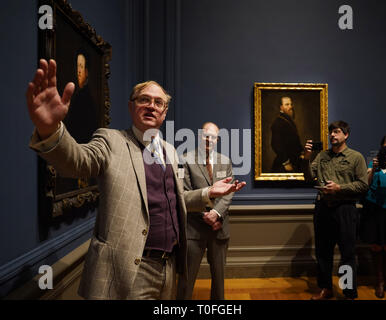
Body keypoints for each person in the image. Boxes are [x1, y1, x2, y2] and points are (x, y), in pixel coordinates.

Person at [26, 59, 246, 300]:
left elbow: (175, 200)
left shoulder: (170, 152)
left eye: (158, 102)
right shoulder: (111, 141)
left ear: (164, 113)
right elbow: (77, 161)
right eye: (144, 100)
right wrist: (50, 130)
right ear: (131, 108)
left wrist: (207, 194)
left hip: (169, 267)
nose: (151, 106)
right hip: (129, 269)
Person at [302, 120, 368, 300]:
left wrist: (340, 188)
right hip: (323, 208)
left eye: (337, 132)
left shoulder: (356, 157)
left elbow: (363, 185)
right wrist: (307, 158)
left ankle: (348, 292)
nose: (332, 135)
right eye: (331, 132)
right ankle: (326, 288)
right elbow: (309, 177)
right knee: (323, 252)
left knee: (347, 254)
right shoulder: (322, 156)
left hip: (345, 210)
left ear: (346, 135)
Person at [176, 122, 234, 300]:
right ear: (199, 136)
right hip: (194, 229)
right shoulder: (183, 160)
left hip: (219, 228)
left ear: (217, 140)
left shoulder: (225, 161)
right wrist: (205, 216)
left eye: (213, 137)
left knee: (219, 280)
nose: (209, 139)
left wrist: (216, 214)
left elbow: (228, 194)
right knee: (186, 280)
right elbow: (182, 194)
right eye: (205, 135)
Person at [360, 135, 386, 298]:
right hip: (374, 209)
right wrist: (373, 169)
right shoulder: (372, 163)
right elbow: (365, 186)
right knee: (376, 246)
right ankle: (379, 281)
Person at [65, 48, 99, 144]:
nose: (79, 71)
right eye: (77, 67)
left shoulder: (84, 96)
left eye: (81, 66)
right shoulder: (77, 92)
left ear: (87, 71)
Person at [271, 96, 304, 173]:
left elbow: (295, 140)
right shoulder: (278, 123)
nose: (290, 107)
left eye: (291, 104)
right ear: (281, 107)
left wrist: (301, 152)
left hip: (295, 162)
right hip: (285, 165)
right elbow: (275, 144)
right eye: (287, 104)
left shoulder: (288, 121)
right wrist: (286, 162)